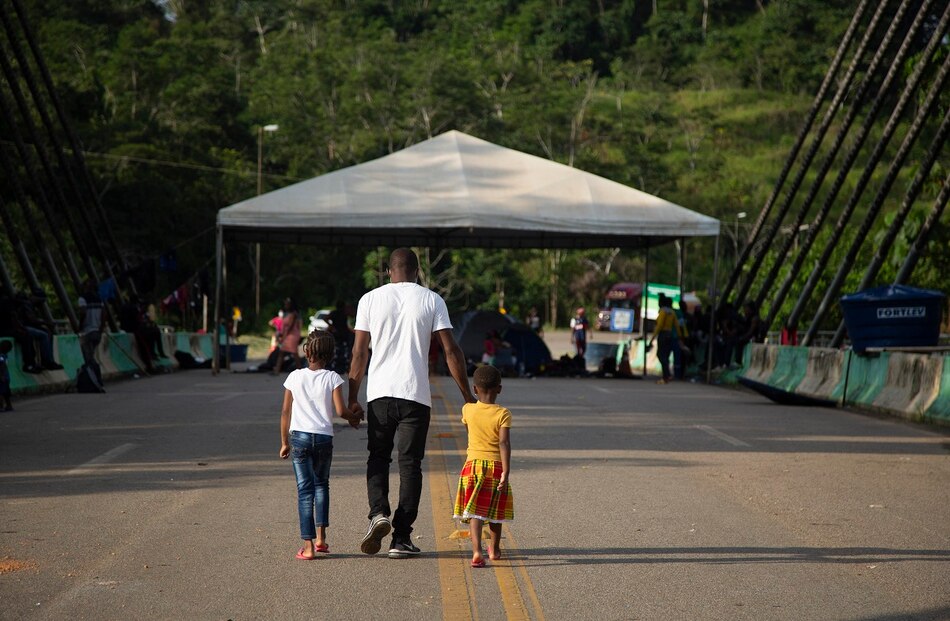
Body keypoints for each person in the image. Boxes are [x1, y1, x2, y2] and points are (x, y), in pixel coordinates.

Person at [348, 248, 475, 559]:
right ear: (417, 272)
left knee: (378, 458)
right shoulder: (431, 299)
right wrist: (468, 398)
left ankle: (379, 513)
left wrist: (351, 398)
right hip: (415, 395)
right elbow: (451, 350)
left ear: (389, 272)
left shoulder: (370, 299)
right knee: (410, 465)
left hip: (379, 394)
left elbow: (359, 354)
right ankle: (401, 538)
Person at [279, 330, 360, 560]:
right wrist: (354, 418)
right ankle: (322, 539)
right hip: (324, 438)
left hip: (300, 439)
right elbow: (341, 411)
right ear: (330, 354)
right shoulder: (333, 378)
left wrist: (284, 442)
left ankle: (308, 547)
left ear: (306, 351)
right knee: (322, 485)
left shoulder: (294, 377)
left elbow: (286, 411)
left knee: (305, 491)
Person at [453, 365, 513, 568]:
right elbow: (503, 443)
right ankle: (494, 550)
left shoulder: (467, 409)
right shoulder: (503, 413)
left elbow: (469, 429)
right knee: (495, 511)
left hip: (473, 466)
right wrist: (506, 471)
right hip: (496, 467)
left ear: (475, 388)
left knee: (475, 512)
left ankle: (477, 551)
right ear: (500, 389)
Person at [15, 290, 64, 371]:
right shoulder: (26, 304)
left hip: (27, 326)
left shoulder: (30, 305)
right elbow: (31, 319)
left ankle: (49, 360)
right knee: (44, 335)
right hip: (24, 327)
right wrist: (46, 323)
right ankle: (47, 361)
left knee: (48, 333)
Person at [649, 294, 682, 384]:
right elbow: (676, 325)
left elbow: (659, 325)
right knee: (666, 356)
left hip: (663, 335)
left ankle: (666, 376)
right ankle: (667, 375)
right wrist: (680, 336)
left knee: (661, 355)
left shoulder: (663, 312)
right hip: (670, 334)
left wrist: (653, 337)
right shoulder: (672, 312)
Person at [77, 280, 105, 366]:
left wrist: (80, 326)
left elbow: (83, 312)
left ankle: (92, 375)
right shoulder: (99, 299)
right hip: (97, 331)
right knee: (91, 354)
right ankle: (95, 374)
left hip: (87, 331)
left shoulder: (82, 299)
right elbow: (104, 315)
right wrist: (101, 328)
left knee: (88, 357)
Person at [273, 297, 302, 375]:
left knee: (294, 353)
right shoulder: (287, 314)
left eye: (287, 304)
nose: (285, 305)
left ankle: (300, 371)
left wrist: (283, 337)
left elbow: (289, 327)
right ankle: (277, 370)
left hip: (292, 336)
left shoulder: (294, 314)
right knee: (282, 353)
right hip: (288, 335)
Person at [0, 340, 13, 411]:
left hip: (2, 377)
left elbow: (2, 366)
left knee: (2, 393)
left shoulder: (2, 356)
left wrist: (1, 376)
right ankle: (9, 406)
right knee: (6, 393)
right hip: (6, 377)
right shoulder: (4, 356)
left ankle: (1, 406)